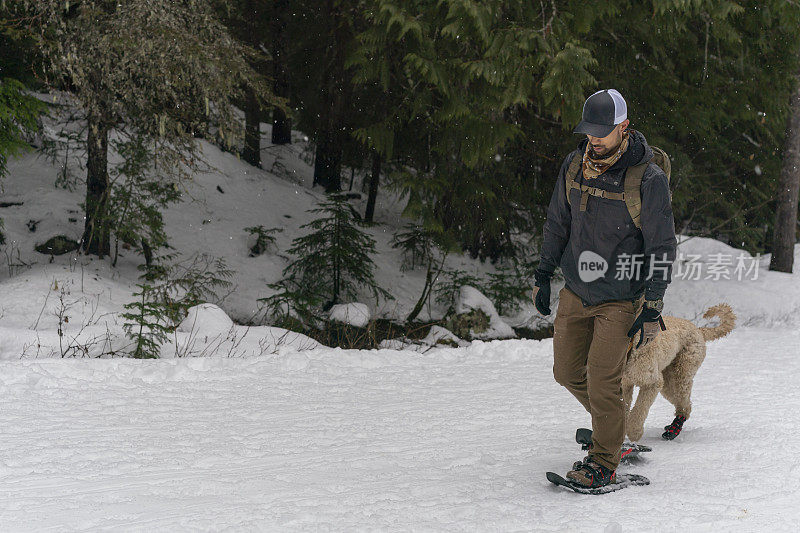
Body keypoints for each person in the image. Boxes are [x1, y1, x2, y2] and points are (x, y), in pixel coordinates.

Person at [532, 89, 677, 488]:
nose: (594, 139)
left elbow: (662, 245)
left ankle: (603, 461)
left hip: (620, 297)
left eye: (603, 132)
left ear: (624, 127)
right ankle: (610, 431)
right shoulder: (574, 165)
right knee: (565, 372)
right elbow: (557, 222)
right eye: (589, 131)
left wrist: (653, 302)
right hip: (577, 290)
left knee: (603, 378)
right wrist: (544, 272)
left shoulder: (647, 178)